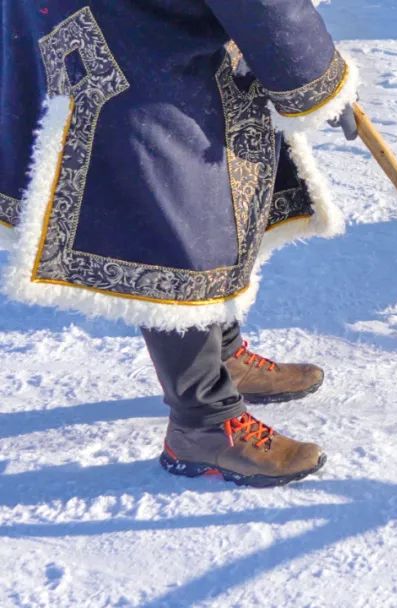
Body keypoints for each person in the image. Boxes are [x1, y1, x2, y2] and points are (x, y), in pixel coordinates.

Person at [1, 0, 361, 486]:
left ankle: (223, 354)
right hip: (134, 54)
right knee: (175, 230)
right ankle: (204, 424)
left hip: (106, 29)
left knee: (212, 208)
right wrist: (314, 81)